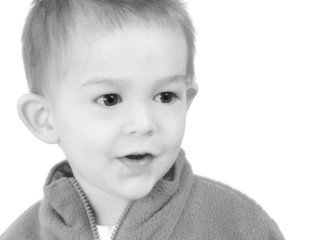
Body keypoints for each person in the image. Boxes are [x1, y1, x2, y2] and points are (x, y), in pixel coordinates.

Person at [0, 0, 285, 239]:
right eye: (110, 99)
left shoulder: (238, 227)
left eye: (165, 96)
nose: (144, 123)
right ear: (45, 119)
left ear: (187, 101)